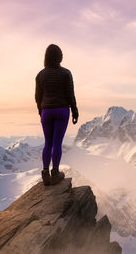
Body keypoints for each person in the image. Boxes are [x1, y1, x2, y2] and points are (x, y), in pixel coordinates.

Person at [35, 44, 78, 186]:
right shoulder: (66, 73)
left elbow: (37, 96)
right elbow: (70, 94)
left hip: (46, 111)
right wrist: (74, 110)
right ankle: (55, 172)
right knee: (57, 143)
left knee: (48, 142)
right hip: (62, 110)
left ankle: (45, 172)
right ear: (59, 57)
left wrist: (41, 110)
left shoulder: (40, 75)